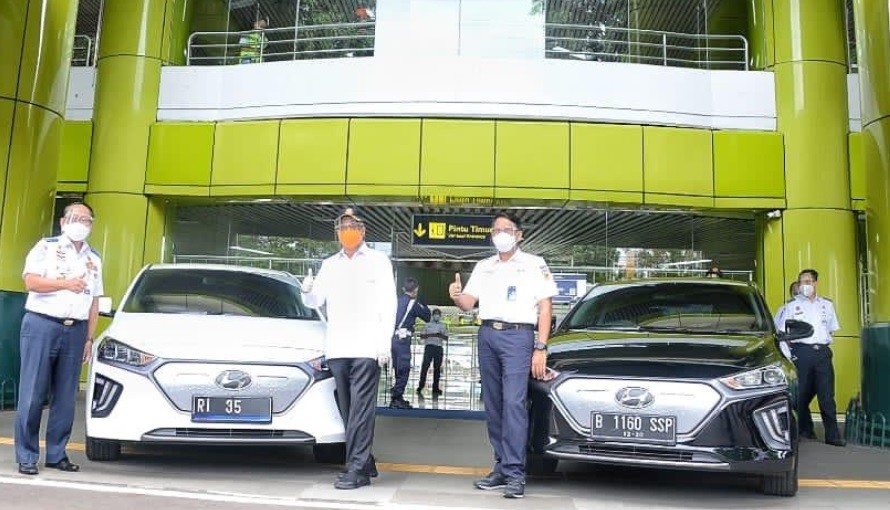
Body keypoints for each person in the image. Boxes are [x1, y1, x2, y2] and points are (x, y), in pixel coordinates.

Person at [448, 212, 557, 499]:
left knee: (514, 403)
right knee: (494, 404)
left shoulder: (534, 264)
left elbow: (546, 309)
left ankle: (516, 473)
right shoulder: (484, 266)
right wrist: (456, 295)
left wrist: (541, 347)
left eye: (507, 229)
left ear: (519, 234)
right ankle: (501, 466)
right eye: (496, 230)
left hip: (518, 337)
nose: (501, 234)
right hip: (487, 335)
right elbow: (468, 303)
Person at [300, 208, 397, 489]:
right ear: (337, 233)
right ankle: (365, 460)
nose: (348, 230)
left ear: (363, 230)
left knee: (361, 411)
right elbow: (315, 301)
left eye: (353, 225)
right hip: (338, 346)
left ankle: (356, 469)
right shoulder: (330, 264)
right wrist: (307, 290)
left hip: (367, 346)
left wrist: (384, 344)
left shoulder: (379, 262)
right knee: (347, 409)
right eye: (343, 226)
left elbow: (388, 305)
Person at [15, 203, 103, 475]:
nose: (81, 223)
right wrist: (65, 284)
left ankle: (57, 454)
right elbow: (30, 282)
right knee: (33, 393)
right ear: (63, 221)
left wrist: (89, 338)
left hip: (75, 330)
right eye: (75, 218)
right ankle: (27, 455)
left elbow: (94, 301)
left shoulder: (94, 258)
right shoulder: (46, 247)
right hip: (42, 324)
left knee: (66, 396)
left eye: (86, 219)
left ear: (91, 224)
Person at [775, 269, 845, 447]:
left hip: (822, 353)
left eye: (807, 281)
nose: (804, 285)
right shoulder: (791, 306)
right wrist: (791, 356)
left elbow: (830, 329)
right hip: (802, 352)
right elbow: (782, 333)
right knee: (800, 394)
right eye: (801, 282)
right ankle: (796, 433)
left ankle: (833, 435)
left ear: (815, 283)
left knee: (827, 395)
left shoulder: (827, 305)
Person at [390, 278, 430, 409]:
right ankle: (396, 397)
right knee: (404, 368)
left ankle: (397, 395)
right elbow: (427, 316)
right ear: (416, 290)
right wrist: (423, 303)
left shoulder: (395, 301)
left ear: (403, 289)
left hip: (392, 338)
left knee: (397, 367)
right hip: (403, 339)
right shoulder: (413, 303)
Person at [417, 308, 449, 397]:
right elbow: (422, 336)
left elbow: (446, 337)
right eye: (435, 314)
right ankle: (421, 386)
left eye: (438, 314)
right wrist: (432, 335)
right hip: (429, 347)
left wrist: (439, 335)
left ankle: (435, 388)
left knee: (437, 369)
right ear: (432, 315)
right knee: (425, 367)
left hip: (438, 348)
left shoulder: (443, 325)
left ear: (440, 315)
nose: (436, 315)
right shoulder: (427, 325)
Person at [773, 281, 800, 360]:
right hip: (786, 349)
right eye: (795, 293)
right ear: (791, 294)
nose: (797, 296)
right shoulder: (782, 309)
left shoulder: (811, 309)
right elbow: (776, 328)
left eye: (799, 293)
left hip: (802, 349)